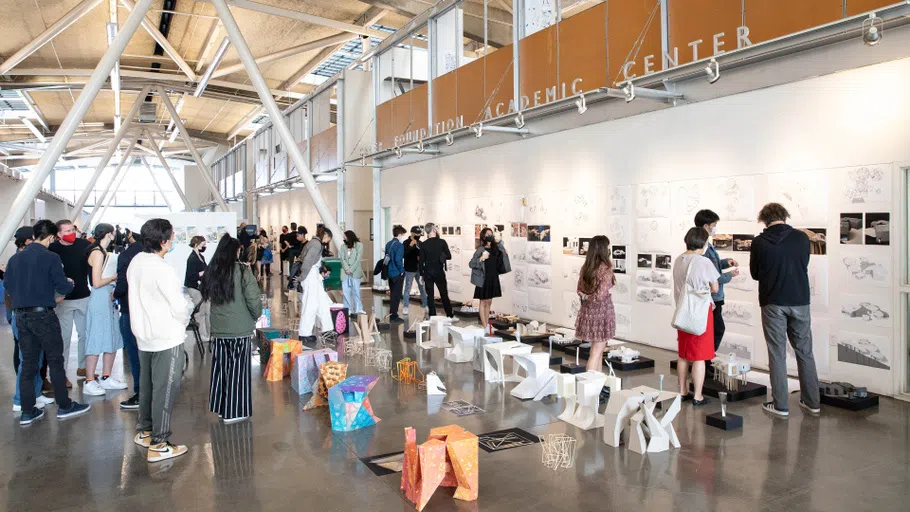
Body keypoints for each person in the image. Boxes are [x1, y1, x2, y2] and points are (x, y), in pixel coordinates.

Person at [4, 220, 91, 426]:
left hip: (21, 316)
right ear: (52, 237)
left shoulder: (15, 259)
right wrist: (68, 285)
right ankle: (64, 406)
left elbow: (7, 284)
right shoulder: (51, 257)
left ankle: (27, 411)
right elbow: (62, 285)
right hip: (43, 315)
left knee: (28, 363)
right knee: (55, 359)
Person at [128, 218, 190, 462]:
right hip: (166, 336)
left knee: (148, 386)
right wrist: (184, 317)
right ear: (164, 242)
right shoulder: (162, 268)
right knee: (165, 389)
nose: (173, 241)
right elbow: (179, 305)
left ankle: (144, 430)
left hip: (144, 335)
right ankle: (159, 442)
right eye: (172, 237)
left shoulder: (137, 261)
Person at [750, 202, 820, 418]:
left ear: (764, 219)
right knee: (805, 351)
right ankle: (812, 402)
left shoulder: (759, 242)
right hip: (799, 300)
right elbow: (804, 263)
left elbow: (754, 274)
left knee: (777, 353)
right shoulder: (801, 238)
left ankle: (780, 405)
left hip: (773, 302)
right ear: (785, 217)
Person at [202, 235, 259, 424]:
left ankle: (221, 407)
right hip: (239, 329)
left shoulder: (213, 270)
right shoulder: (242, 271)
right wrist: (256, 315)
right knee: (238, 371)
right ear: (236, 251)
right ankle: (234, 411)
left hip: (219, 330)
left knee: (221, 370)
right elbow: (253, 299)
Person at [8, 227, 55, 413]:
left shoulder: (17, 260)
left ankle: (35, 394)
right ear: (29, 241)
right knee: (27, 358)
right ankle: (21, 399)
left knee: (36, 357)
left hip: (24, 312)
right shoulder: (21, 260)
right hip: (24, 313)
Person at [672, 227, 720, 407]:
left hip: (682, 311)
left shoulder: (679, 260)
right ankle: (698, 395)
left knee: (683, 354)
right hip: (700, 313)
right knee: (700, 355)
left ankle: (683, 391)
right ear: (703, 242)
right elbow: (715, 288)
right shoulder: (703, 262)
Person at [82, 223, 127, 396]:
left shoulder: (104, 252)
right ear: (109, 234)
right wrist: (114, 277)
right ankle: (89, 380)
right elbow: (96, 282)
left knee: (112, 336)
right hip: (100, 297)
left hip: (109, 296)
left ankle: (106, 376)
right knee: (97, 335)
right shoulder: (96, 253)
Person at [49, 219, 91, 383]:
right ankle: (62, 374)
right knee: (64, 338)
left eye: (72, 229)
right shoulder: (53, 249)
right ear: (58, 234)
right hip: (63, 300)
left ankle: (83, 367)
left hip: (84, 296)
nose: (70, 233)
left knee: (85, 335)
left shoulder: (83, 245)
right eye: (66, 231)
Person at [694, 210, 741, 351]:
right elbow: (712, 277)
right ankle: (706, 360)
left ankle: (705, 360)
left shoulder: (707, 245)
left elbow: (714, 267)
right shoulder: (703, 249)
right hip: (712, 298)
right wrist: (730, 275)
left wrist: (726, 263)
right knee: (716, 330)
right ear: (706, 226)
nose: (715, 228)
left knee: (715, 329)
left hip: (715, 297)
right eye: (714, 225)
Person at [574, 236, 616, 373]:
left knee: (596, 352)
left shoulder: (586, 267)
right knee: (596, 353)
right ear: (603, 249)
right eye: (608, 246)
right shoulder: (605, 269)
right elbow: (600, 296)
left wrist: (586, 296)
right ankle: (589, 385)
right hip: (601, 314)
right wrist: (591, 297)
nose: (609, 249)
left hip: (588, 313)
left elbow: (579, 290)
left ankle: (596, 384)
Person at [113, 228, 144, 409]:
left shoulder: (127, 255)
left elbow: (122, 283)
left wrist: (115, 293)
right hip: (148, 310)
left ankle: (140, 392)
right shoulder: (152, 255)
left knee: (133, 351)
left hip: (129, 308)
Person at [296, 228, 335, 341]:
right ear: (325, 235)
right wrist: (302, 278)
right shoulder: (316, 244)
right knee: (310, 305)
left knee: (322, 304)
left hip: (313, 277)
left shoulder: (315, 243)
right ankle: (305, 333)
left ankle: (327, 329)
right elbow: (307, 262)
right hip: (310, 278)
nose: (328, 241)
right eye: (328, 238)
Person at [469, 227, 509, 327]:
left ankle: (486, 323)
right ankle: (484, 325)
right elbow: (471, 264)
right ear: (483, 236)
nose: (490, 236)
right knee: (483, 301)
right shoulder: (480, 250)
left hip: (493, 277)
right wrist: (481, 259)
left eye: (491, 234)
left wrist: (501, 244)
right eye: (487, 234)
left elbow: (503, 255)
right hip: (483, 278)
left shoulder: (496, 249)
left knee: (489, 301)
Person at [420, 223, 454, 318]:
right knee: (444, 294)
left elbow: (421, 261)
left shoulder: (424, 244)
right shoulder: (442, 242)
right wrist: (442, 256)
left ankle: (432, 315)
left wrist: (421, 274)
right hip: (438, 270)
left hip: (428, 272)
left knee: (430, 295)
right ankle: (449, 315)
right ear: (434, 229)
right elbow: (449, 256)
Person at [184, 235, 210, 343]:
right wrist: (202, 273)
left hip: (201, 288)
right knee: (200, 312)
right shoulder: (192, 259)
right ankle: (202, 335)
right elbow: (191, 275)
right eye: (202, 244)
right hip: (194, 288)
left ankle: (206, 334)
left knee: (205, 311)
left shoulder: (200, 257)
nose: (204, 246)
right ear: (196, 244)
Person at [402, 226, 428, 315]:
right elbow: (404, 254)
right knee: (407, 288)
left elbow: (423, 255)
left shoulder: (420, 243)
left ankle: (425, 305)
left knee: (422, 288)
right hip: (409, 269)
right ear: (412, 233)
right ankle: (405, 306)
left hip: (419, 269)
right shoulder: (406, 243)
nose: (417, 235)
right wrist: (411, 245)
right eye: (416, 234)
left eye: (419, 234)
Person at [384, 225, 407, 323]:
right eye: (403, 235)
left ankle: (392, 313)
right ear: (400, 234)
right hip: (397, 273)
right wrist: (402, 270)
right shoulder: (399, 245)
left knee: (393, 294)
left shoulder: (389, 244)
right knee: (396, 295)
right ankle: (394, 315)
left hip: (390, 272)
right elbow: (398, 260)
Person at [340, 230, 366, 315]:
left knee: (356, 291)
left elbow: (358, 259)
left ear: (349, 236)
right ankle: (347, 309)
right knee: (346, 291)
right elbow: (342, 258)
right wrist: (347, 269)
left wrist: (350, 270)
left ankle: (358, 308)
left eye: (345, 236)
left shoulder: (359, 245)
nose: (344, 238)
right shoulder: (343, 246)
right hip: (345, 272)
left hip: (355, 272)